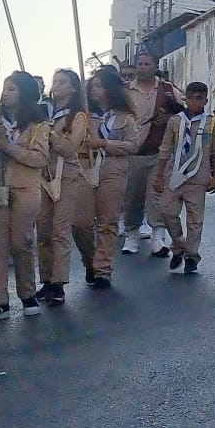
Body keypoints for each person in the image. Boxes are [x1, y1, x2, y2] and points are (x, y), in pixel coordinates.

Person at [0, 72, 48, 322]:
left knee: (22, 242)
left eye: (12, 89)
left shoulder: (38, 125)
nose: (6, 93)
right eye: (4, 89)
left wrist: (9, 146)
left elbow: (39, 158)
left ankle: (27, 294)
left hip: (25, 189)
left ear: (25, 93)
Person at [153, 81, 215, 274]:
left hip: (198, 176)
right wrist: (159, 175)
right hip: (173, 174)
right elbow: (165, 149)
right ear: (185, 98)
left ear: (205, 100)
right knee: (167, 210)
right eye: (190, 98)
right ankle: (178, 243)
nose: (194, 102)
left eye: (199, 98)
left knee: (195, 219)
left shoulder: (211, 123)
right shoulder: (176, 121)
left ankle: (192, 255)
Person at [82, 67, 141, 290]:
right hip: (87, 172)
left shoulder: (126, 118)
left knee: (107, 221)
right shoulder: (87, 116)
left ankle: (103, 269)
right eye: (92, 86)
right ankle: (90, 261)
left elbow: (133, 145)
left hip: (113, 172)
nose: (94, 90)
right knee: (82, 222)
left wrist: (105, 144)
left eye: (99, 85)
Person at [122, 51, 183, 256]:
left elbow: (183, 114)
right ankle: (132, 234)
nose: (142, 67)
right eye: (139, 63)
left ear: (155, 66)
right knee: (132, 196)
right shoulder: (125, 91)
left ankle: (159, 237)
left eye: (147, 63)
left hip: (159, 151)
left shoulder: (167, 90)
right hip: (133, 152)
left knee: (157, 194)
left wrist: (169, 120)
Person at [43, 69, 93, 298]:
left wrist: (51, 134)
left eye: (62, 82)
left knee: (60, 230)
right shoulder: (44, 110)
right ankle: (46, 278)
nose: (57, 86)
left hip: (67, 174)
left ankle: (59, 281)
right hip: (43, 173)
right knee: (43, 231)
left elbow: (70, 147)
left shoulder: (78, 116)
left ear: (73, 88)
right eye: (55, 81)